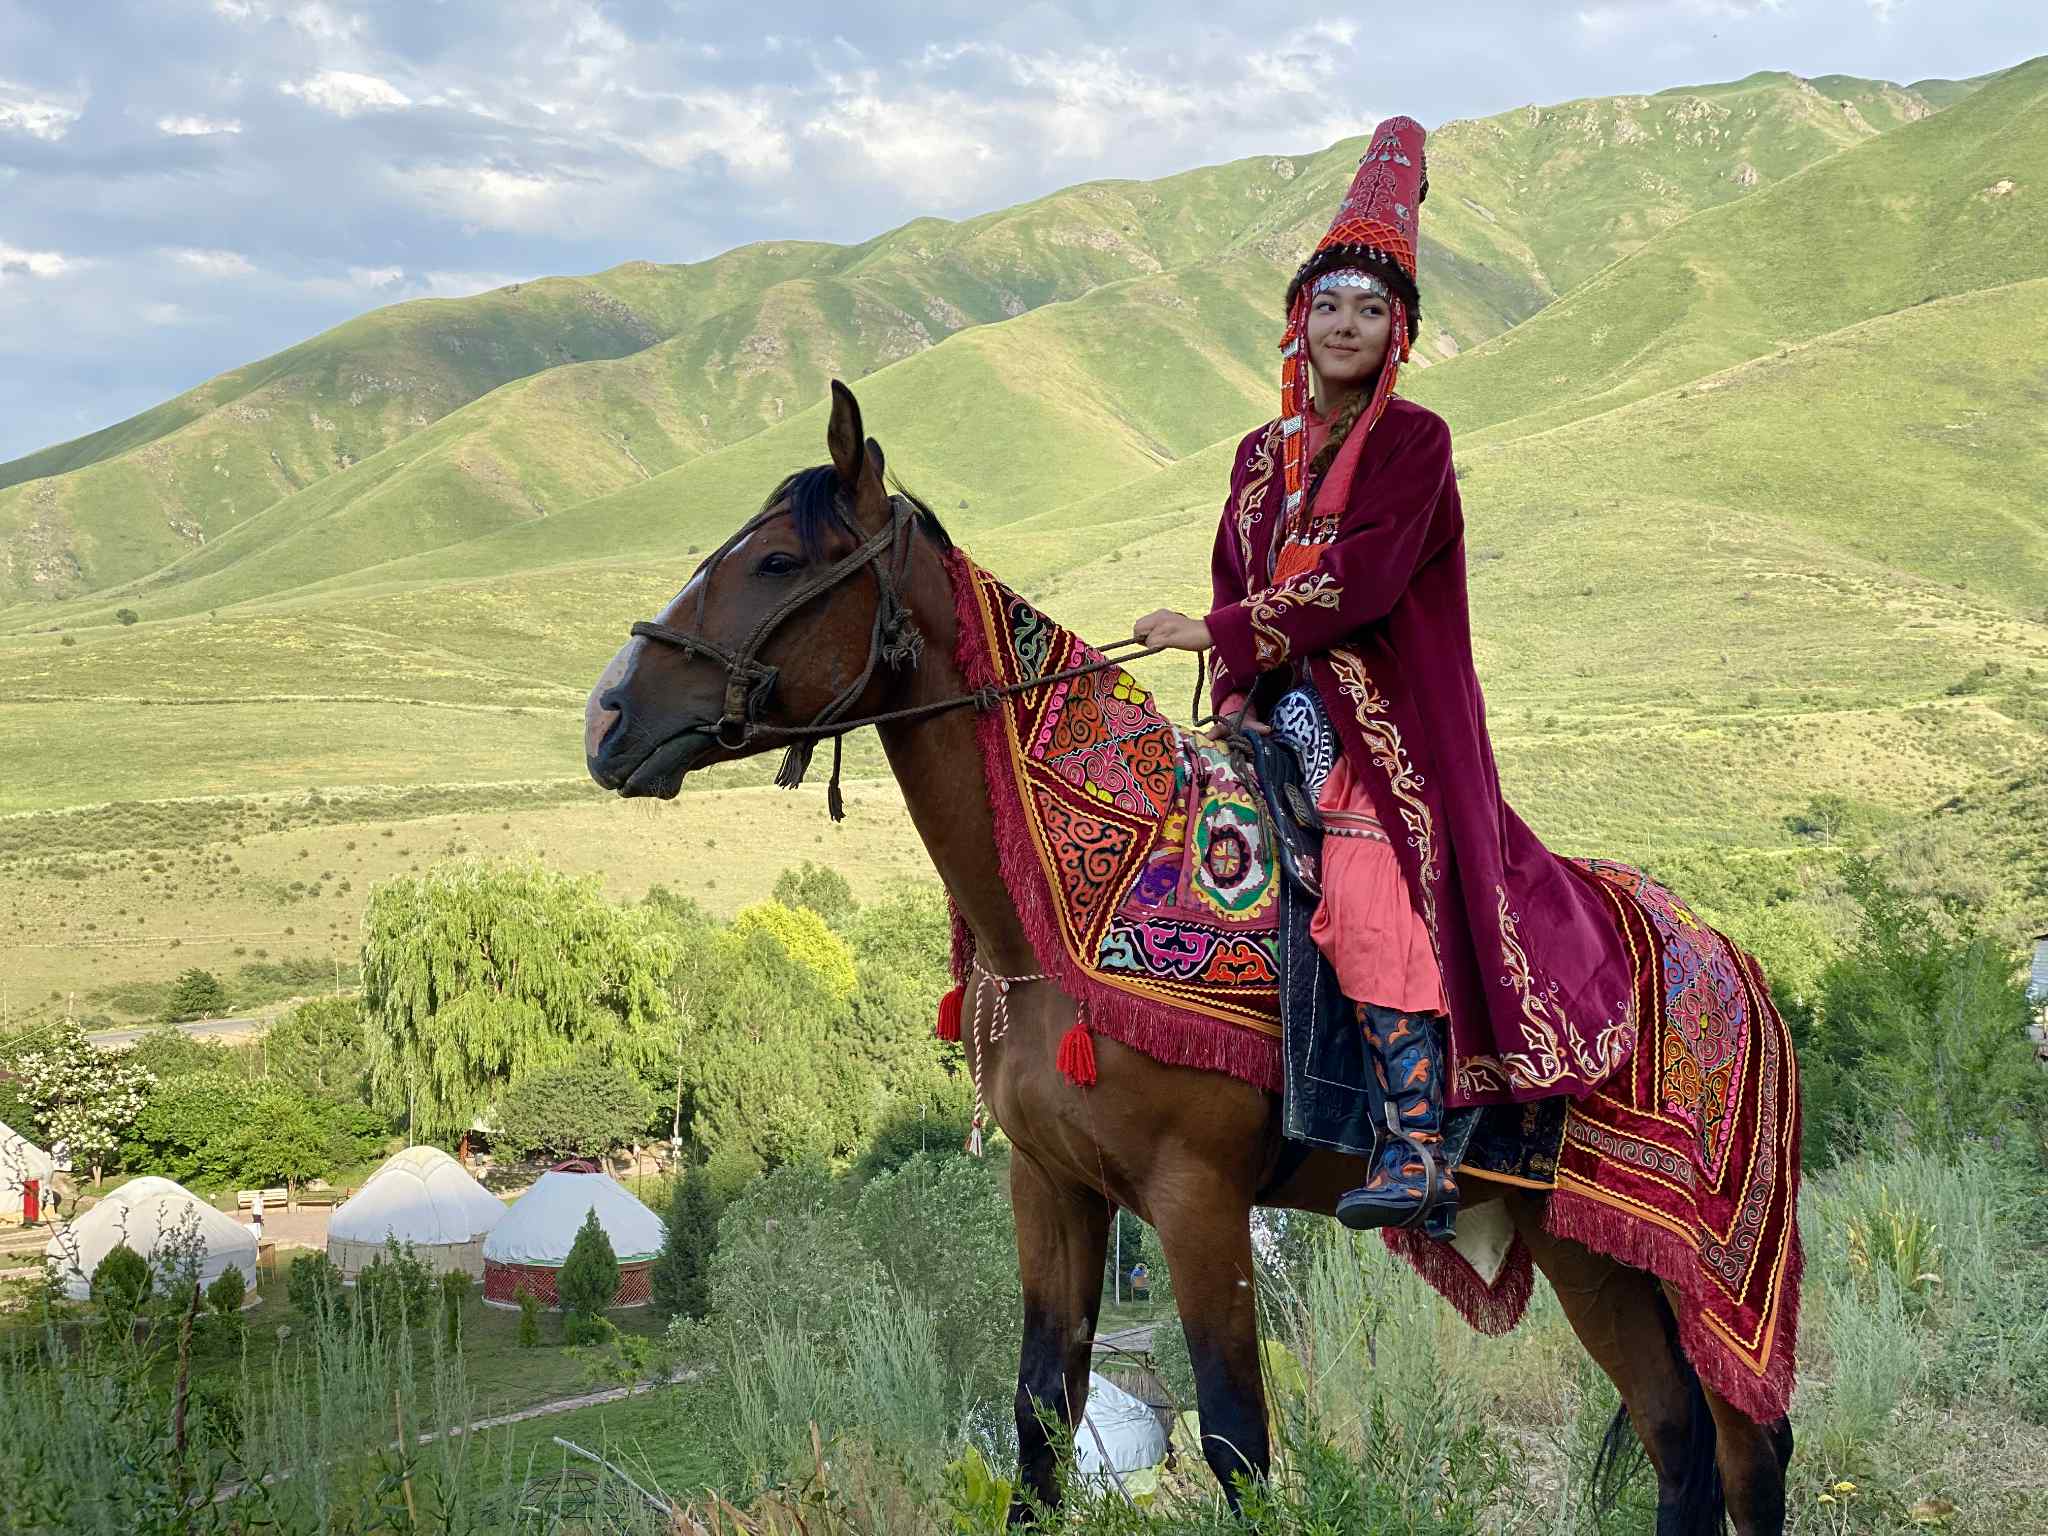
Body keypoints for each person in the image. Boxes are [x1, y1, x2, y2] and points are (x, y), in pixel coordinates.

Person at [1134, 116, 1638, 1234]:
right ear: (1297, 322)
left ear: (1396, 332)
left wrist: (1214, 630)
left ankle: (1415, 1147)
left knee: (1362, 881)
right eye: (1328, 304)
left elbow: (1359, 584)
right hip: (1272, 704)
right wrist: (1231, 690)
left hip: (1383, 721)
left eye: (1370, 309)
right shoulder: (1256, 459)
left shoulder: (1416, 443)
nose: (1345, 324)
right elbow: (1235, 566)